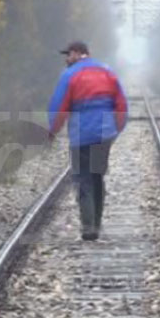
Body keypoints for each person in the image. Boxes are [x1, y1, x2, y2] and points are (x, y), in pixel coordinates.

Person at [47, 41, 128, 241]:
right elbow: (121, 103)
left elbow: (60, 105)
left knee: (84, 178)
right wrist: (117, 128)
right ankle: (96, 224)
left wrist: (53, 130)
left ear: (77, 54)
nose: (67, 59)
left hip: (81, 135)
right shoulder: (107, 72)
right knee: (97, 176)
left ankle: (88, 226)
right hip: (104, 134)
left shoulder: (69, 75)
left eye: (68, 54)